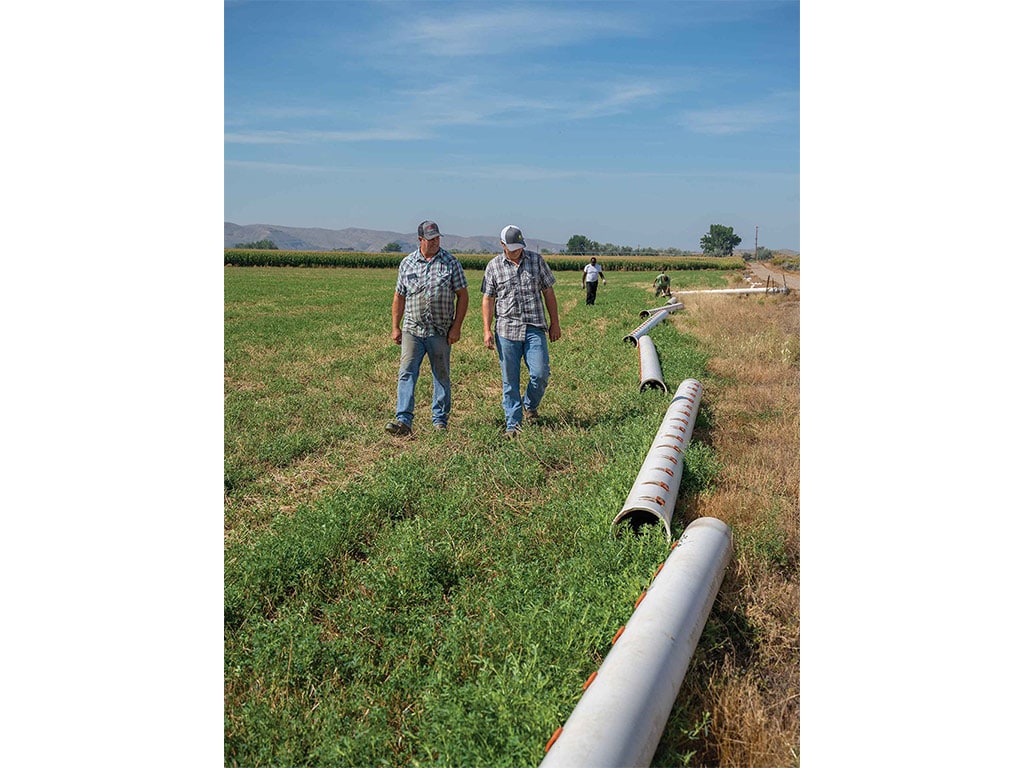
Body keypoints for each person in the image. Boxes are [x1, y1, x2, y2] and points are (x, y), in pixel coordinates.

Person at [385, 220, 469, 436]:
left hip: (439, 331)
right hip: (412, 329)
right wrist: (395, 327)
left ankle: (440, 421)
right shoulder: (407, 264)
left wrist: (456, 327)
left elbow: (463, 296)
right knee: (406, 373)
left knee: (441, 374)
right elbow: (399, 297)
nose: (435, 242)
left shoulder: (451, 263)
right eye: (430, 239)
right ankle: (403, 420)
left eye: (437, 238)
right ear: (420, 240)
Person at [481, 225, 562, 438]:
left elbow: (549, 293)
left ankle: (530, 404)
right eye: (512, 248)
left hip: (534, 327)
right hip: (506, 330)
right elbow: (488, 299)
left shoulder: (536, 261)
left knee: (540, 373)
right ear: (502, 245)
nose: (516, 251)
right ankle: (513, 425)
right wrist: (486, 330)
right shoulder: (494, 267)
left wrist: (555, 323)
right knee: (510, 379)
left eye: (519, 247)